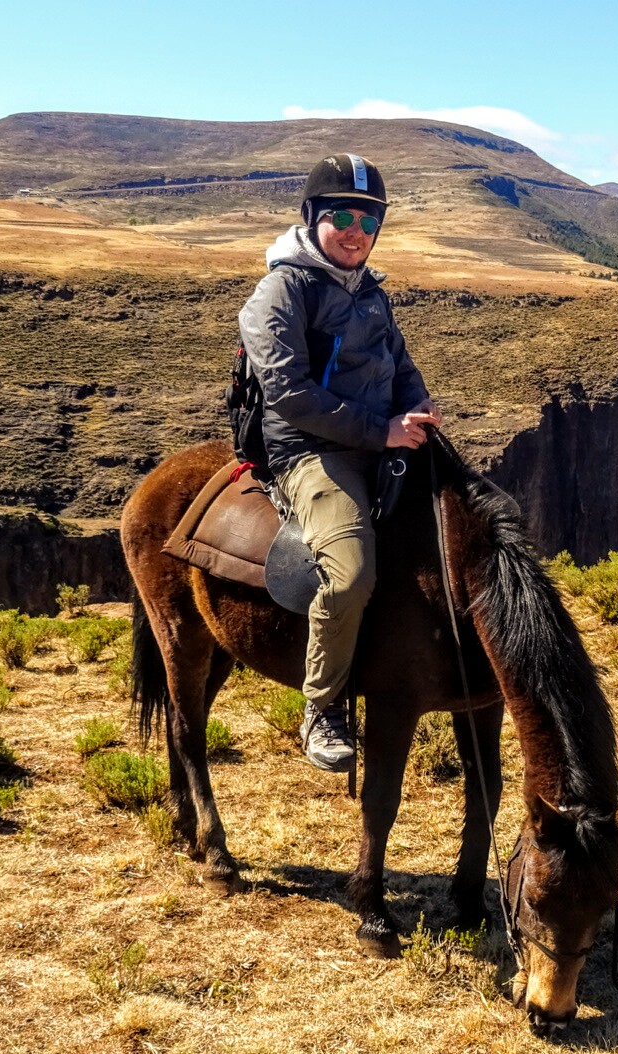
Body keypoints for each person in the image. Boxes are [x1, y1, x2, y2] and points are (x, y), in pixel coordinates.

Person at [238, 153, 439, 772]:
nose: (356, 231)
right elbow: (291, 395)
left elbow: (399, 363)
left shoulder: (370, 290)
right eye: (342, 216)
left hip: (381, 437)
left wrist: (418, 405)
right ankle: (322, 707)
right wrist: (382, 431)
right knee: (350, 574)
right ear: (313, 218)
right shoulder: (280, 292)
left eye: (368, 220)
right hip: (312, 451)